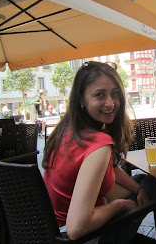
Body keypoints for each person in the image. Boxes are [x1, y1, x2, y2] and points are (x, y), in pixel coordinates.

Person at [42, 61, 150, 242]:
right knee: (155, 186)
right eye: (100, 95)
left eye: (115, 94)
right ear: (81, 98)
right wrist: (120, 205)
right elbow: (77, 228)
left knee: (143, 183)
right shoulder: (99, 144)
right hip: (85, 236)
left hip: (53, 231)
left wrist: (137, 188)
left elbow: (108, 168)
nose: (110, 103)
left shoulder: (66, 130)